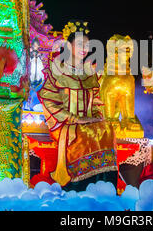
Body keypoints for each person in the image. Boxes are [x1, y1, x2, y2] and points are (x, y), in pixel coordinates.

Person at [38, 20, 117, 192]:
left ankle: (105, 188)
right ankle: (79, 189)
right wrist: (76, 119)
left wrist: (97, 114)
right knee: (84, 134)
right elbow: (49, 101)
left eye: (87, 45)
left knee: (107, 129)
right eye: (80, 44)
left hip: (87, 121)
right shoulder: (56, 69)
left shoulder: (88, 71)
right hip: (66, 124)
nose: (85, 49)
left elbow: (96, 99)